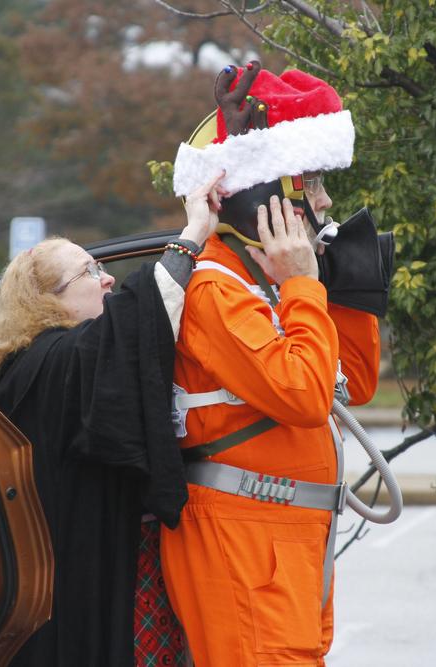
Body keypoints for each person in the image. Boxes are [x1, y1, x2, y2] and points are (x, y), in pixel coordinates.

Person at [161, 63, 382, 665]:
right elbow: (304, 396)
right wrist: (305, 287)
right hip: (244, 539)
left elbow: (352, 386)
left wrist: (346, 290)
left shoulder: (270, 283)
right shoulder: (215, 289)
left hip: (286, 542)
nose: (326, 201)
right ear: (267, 194)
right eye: (310, 185)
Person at [0, 172, 225, 666]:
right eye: (90, 272)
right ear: (48, 301)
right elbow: (134, 320)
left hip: (51, 575)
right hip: (94, 570)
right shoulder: (60, 359)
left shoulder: (19, 367)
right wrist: (194, 234)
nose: (107, 277)